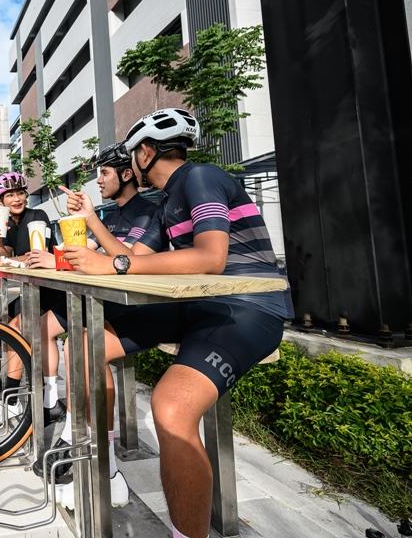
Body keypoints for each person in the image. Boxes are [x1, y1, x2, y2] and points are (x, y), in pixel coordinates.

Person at [62, 108, 292, 538]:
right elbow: (140, 261)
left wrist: (109, 264)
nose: (130, 165)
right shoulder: (168, 197)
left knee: (169, 409)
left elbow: (210, 257)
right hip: (197, 305)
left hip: (246, 305)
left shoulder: (200, 177)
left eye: (132, 156)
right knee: (88, 345)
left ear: (147, 152)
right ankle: (106, 465)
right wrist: (94, 228)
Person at [49, 143, 158, 509]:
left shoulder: (150, 212)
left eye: (105, 173)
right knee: (76, 344)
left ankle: (97, 459)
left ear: (128, 174)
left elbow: (130, 262)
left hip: (149, 311)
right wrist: (56, 256)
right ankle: (95, 456)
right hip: (113, 310)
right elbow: (84, 256)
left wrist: (91, 221)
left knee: (82, 347)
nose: (98, 180)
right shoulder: (110, 214)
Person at [0, 172, 67, 430]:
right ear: (1, 201)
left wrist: (2, 261)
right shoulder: (9, 223)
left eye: (19, 193)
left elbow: (34, 256)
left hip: (51, 290)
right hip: (31, 291)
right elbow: (7, 253)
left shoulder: (37, 217)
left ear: (26, 195)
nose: (16, 198)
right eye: (9, 195)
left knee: (15, 332)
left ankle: (12, 402)